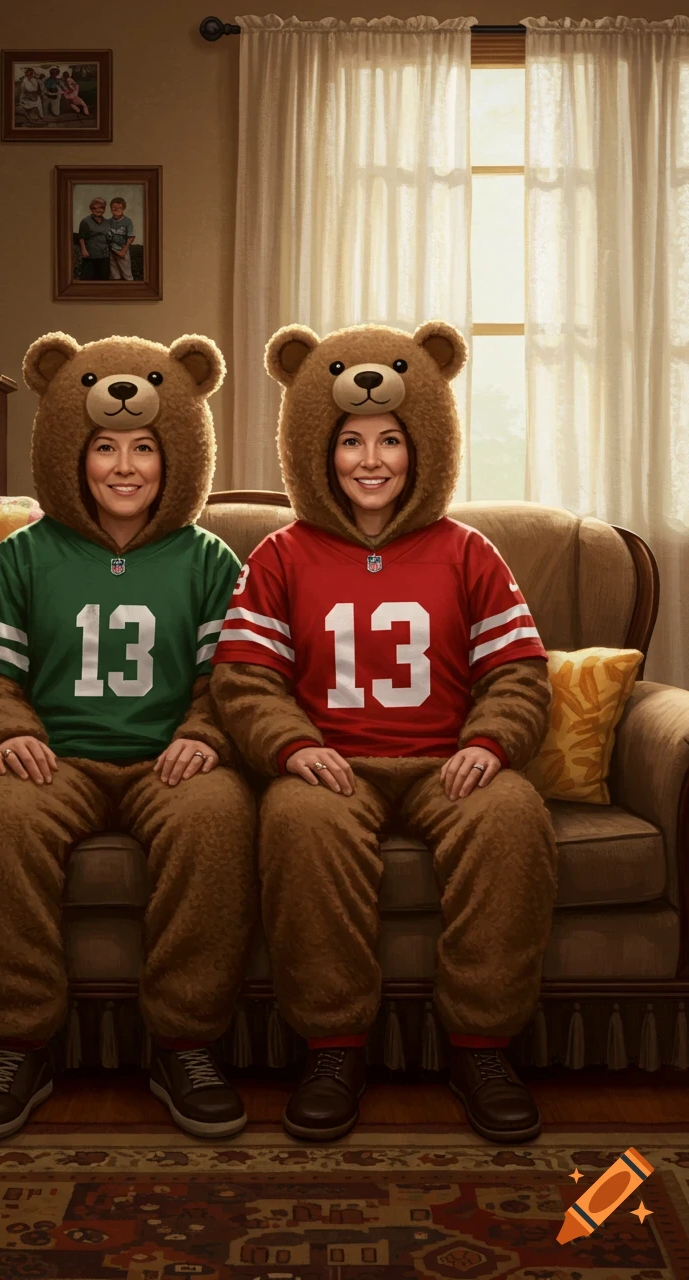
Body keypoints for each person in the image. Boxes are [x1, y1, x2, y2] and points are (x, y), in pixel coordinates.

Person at [211, 321, 557, 1146]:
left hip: (449, 764)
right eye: (351, 442)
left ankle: (480, 1045)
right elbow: (246, 678)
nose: (371, 460)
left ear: (423, 446)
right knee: (299, 823)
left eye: (391, 440)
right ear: (317, 451)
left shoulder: (470, 552)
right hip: (332, 767)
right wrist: (295, 747)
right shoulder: (279, 556)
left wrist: (487, 743)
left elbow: (518, 671)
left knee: (512, 819)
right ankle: (334, 1046)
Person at [0, 330, 257, 1142]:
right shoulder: (23, 557)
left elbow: (241, 679)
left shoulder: (210, 559)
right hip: (55, 761)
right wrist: (5, 729)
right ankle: (20, 1041)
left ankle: (185, 1042)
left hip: (170, 763)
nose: (123, 466)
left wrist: (207, 732)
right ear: (68, 452)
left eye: (144, 448)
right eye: (104, 447)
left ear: (176, 452)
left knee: (217, 816)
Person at [77, 198, 110, 281]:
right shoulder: (85, 221)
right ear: (91, 209)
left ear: (104, 209)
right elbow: (81, 238)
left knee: (104, 280)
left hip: (104, 256)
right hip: (90, 256)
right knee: (89, 280)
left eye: (101, 208)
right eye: (96, 208)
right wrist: (84, 250)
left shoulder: (107, 222)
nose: (98, 210)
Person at [107, 197, 135, 281]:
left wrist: (123, 251)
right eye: (114, 208)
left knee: (127, 275)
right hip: (112, 251)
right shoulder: (108, 221)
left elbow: (131, 237)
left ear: (123, 208)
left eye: (119, 208)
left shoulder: (127, 221)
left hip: (123, 250)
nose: (117, 210)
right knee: (114, 275)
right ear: (111, 208)